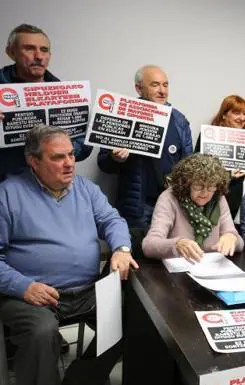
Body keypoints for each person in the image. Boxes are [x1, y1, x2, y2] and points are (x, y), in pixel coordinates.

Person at [0, 125, 138, 385]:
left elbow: (112, 220)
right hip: (31, 296)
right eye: (57, 157)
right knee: (41, 331)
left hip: (86, 291)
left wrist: (121, 248)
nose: (69, 164)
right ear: (33, 161)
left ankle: (82, 378)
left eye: (71, 155)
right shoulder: (8, 194)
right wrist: (24, 286)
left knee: (137, 318)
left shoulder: (85, 189)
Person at [97, 65, 193, 232]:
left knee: (169, 252)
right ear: (139, 88)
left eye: (165, 84)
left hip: (172, 203)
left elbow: (189, 163)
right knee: (138, 254)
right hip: (138, 208)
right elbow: (103, 163)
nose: (162, 91)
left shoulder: (179, 120)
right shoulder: (122, 114)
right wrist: (115, 158)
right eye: (155, 85)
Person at [0, 24, 91, 182]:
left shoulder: (68, 94)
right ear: (11, 52)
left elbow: (84, 145)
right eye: (29, 48)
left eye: (44, 50)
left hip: (50, 187)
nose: (38, 56)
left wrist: (59, 152)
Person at [142, 154, 243, 260]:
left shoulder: (219, 198)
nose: (204, 193)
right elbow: (149, 245)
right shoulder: (169, 198)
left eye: (211, 187)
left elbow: (240, 243)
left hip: (211, 266)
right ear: (186, 184)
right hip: (178, 267)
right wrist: (176, 244)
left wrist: (232, 238)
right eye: (198, 186)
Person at [194, 95, 245, 219]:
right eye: (237, 113)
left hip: (240, 200)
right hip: (212, 198)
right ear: (224, 114)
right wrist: (227, 175)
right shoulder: (208, 136)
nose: (242, 118)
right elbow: (197, 170)